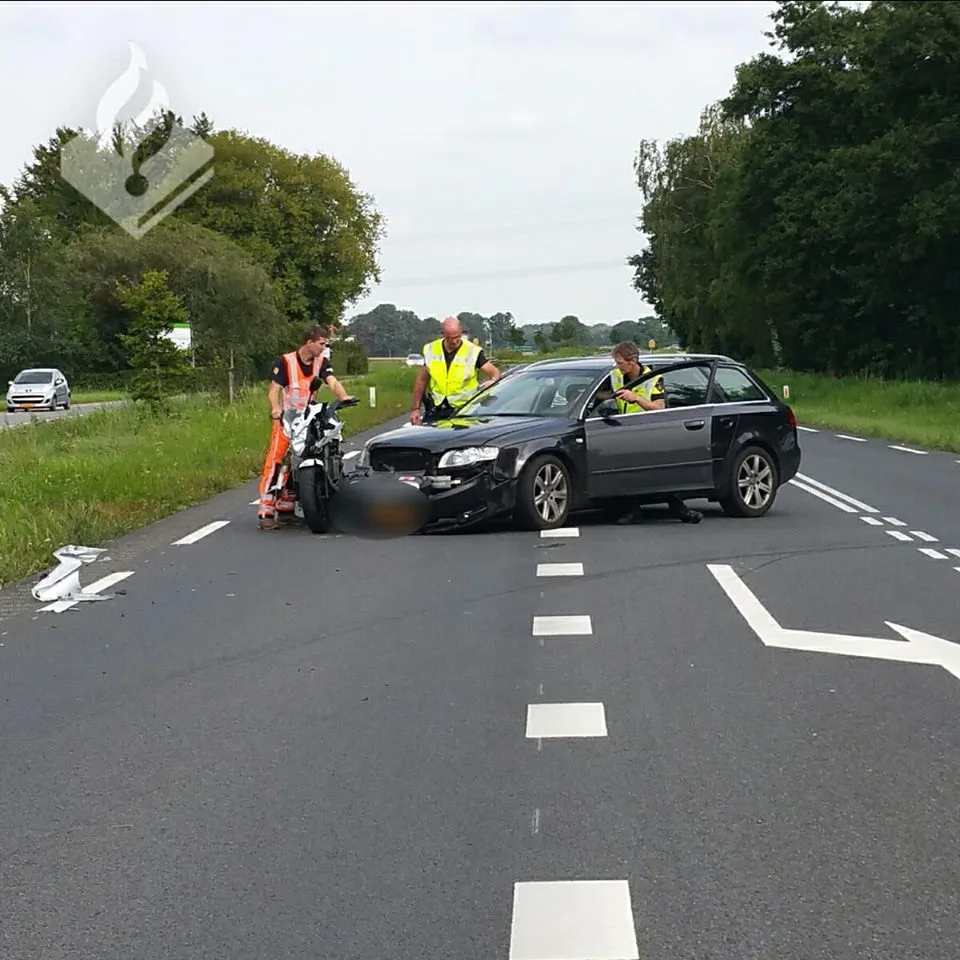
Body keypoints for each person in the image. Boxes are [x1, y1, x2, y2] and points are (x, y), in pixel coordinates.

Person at [257, 325, 355, 530]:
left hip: (308, 418)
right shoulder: (285, 362)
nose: (324, 347)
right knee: (276, 461)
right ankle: (266, 510)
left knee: (305, 456)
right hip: (287, 419)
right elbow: (273, 391)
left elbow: (332, 381)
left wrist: (343, 397)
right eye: (321, 343)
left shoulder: (321, 362)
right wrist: (276, 409)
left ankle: (286, 507)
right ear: (309, 342)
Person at [598, 339, 703, 525]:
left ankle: (680, 510)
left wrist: (636, 398)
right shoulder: (615, 376)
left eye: (620, 362)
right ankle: (634, 510)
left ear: (633, 361)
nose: (617, 366)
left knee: (657, 474)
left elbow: (659, 407)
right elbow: (605, 394)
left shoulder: (653, 378)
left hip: (649, 429)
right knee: (628, 472)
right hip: (624, 430)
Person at [409, 316, 500, 424]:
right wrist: (416, 409)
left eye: (457, 337)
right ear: (442, 334)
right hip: (437, 408)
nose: (454, 341)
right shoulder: (431, 349)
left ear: (461, 333)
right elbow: (422, 381)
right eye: (449, 338)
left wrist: (493, 380)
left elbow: (495, 372)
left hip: (465, 409)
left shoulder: (472, 351)